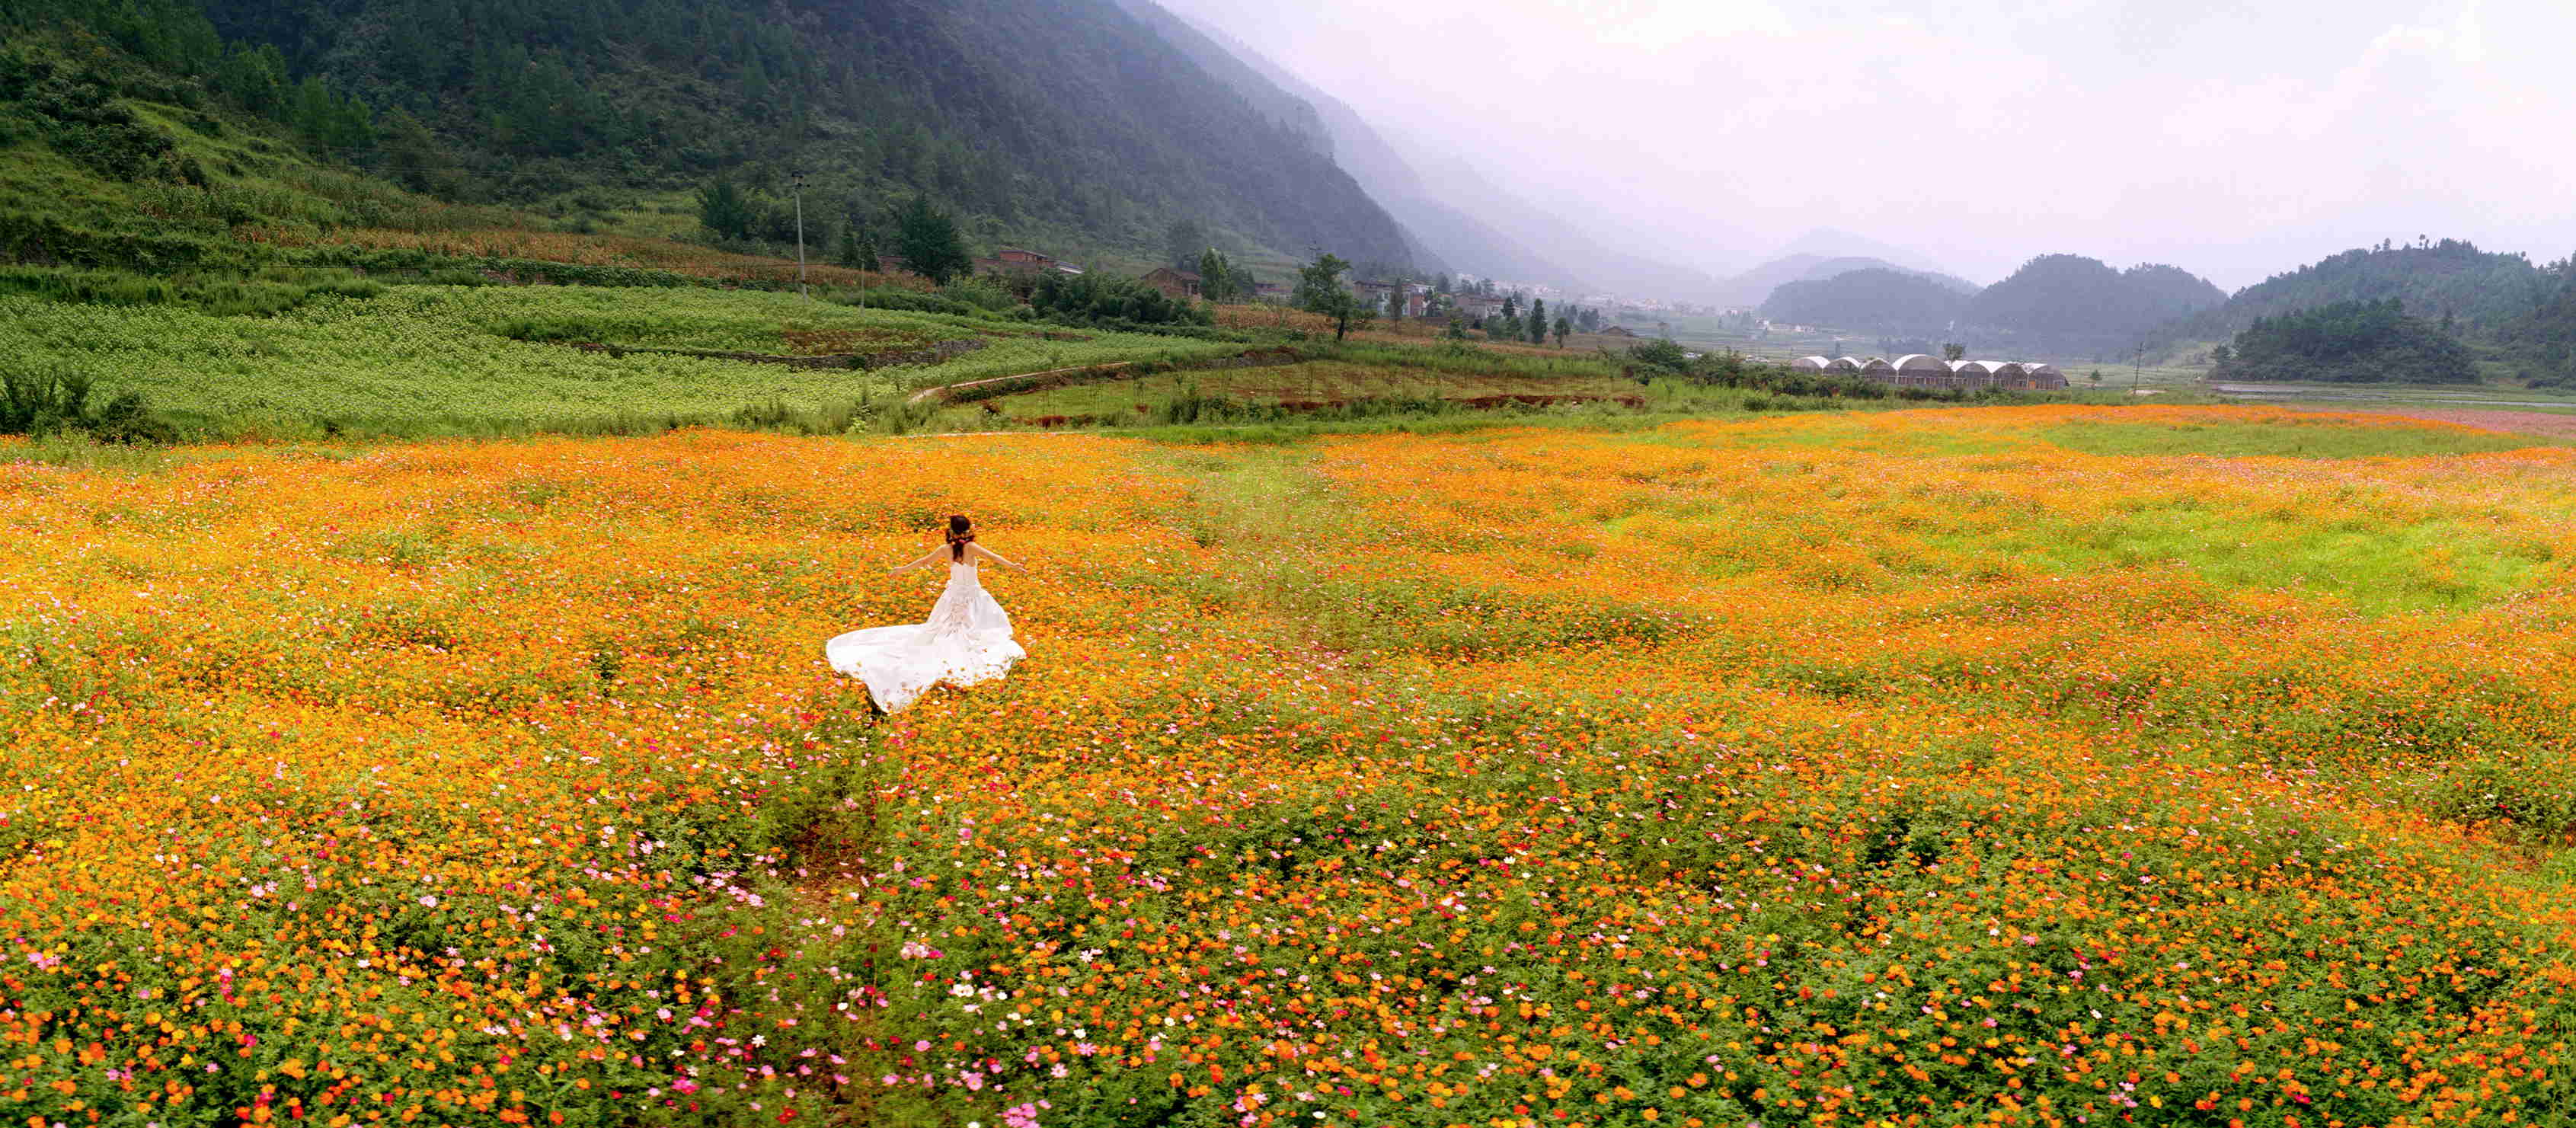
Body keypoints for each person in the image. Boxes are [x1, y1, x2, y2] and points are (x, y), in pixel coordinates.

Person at [825, 514, 1027, 713]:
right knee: (973, 629)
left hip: (953, 595)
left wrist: (900, 569)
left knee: (945, 628)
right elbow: (994, 558)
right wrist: (1014, 567)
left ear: (950, 531)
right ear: (968, 530)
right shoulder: (971, 548)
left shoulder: (945, 549)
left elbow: (923, 562)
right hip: (972, 596)